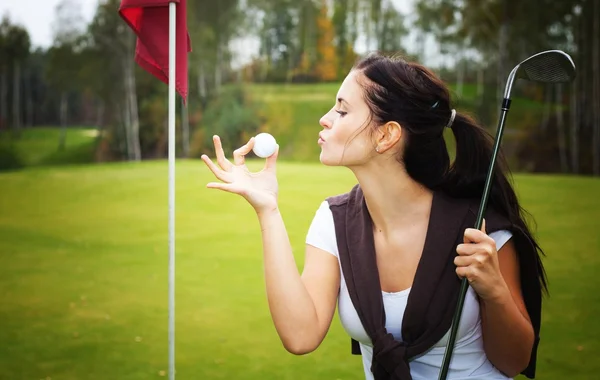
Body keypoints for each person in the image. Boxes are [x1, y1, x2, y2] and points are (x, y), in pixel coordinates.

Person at [201, 53, 547, 380]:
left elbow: (513, 361)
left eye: (341, 110)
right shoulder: (334, 221)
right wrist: (268, 209)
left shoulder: (479, 230)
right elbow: (300, 335)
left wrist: (494, 291)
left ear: (387, 135)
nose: (325, 118)